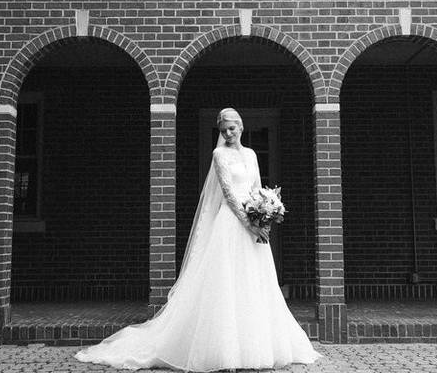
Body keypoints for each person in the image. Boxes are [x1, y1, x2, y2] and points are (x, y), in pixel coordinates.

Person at [74, 107, 321, 371]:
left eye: (232, 127)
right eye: (223, 129)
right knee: (226, 283)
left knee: (253, 281)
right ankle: (226, 352)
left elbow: (255, 188)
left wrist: (264, 214)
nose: (228, 133)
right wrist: (250, 224)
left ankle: (256, 346)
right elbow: (228, 194)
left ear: (241, 127)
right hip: (231, 223)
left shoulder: (250, 154)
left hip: (252, 225)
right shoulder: (219, 154)